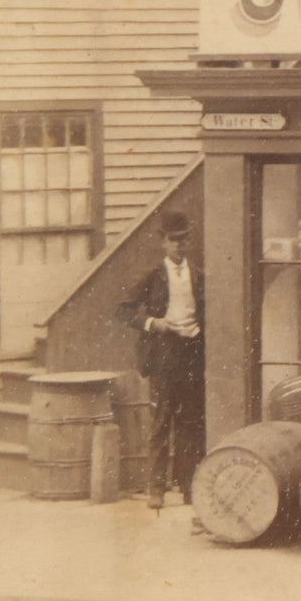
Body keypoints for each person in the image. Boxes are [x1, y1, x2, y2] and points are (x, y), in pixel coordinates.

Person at [116, 211, 205, 519]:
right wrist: (154, 323)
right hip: (165, 354)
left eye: (183, 240)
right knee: (161, 422)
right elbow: (124, 311)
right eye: (173, 241)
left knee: (191, 423)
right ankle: (156, 488)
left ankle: (188, 485)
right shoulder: (153, 275)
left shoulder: (197, 273)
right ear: (163, 243)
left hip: (192, 353)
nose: (179, 247)